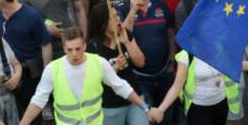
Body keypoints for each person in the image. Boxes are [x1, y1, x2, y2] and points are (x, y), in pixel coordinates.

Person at [19, 26, 151, 125]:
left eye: (78, 48)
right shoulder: (52, 69)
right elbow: (38, 100)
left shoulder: (99, 63)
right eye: (69, 50)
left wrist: (145, 108)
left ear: (85, 46)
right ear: (64, 48)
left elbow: (122, 87)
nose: (74, 54)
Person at [0, 0, 51, 114]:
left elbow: (46, 45)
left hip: (29, 77)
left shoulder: (31, 16)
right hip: (4, 76)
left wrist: (46, 76)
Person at [117, 0, 174, 115]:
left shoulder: (159, 5)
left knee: (167, 115)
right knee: (147, 117)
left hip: (164, 72)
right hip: (139, 77)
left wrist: (172, 58)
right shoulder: (121, 10)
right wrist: (133, 10)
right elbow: (123, 35)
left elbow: (170, 32)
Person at [147, 49, 248, 125]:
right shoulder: (187, 54)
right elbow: (177, 86)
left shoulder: (220, 47)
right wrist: (161, 109)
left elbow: (236, 65)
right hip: (198, 109)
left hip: (221, 105)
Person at [86, 2, 150, 125]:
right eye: (113, 17)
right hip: (110, 105)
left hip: (134, 99)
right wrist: (114, 67)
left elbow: (141, 62)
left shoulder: (125, 35)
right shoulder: (92, 47)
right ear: (103, 22)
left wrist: (126, 42)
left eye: (118, 15)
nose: (118, 19)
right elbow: (93, 78)